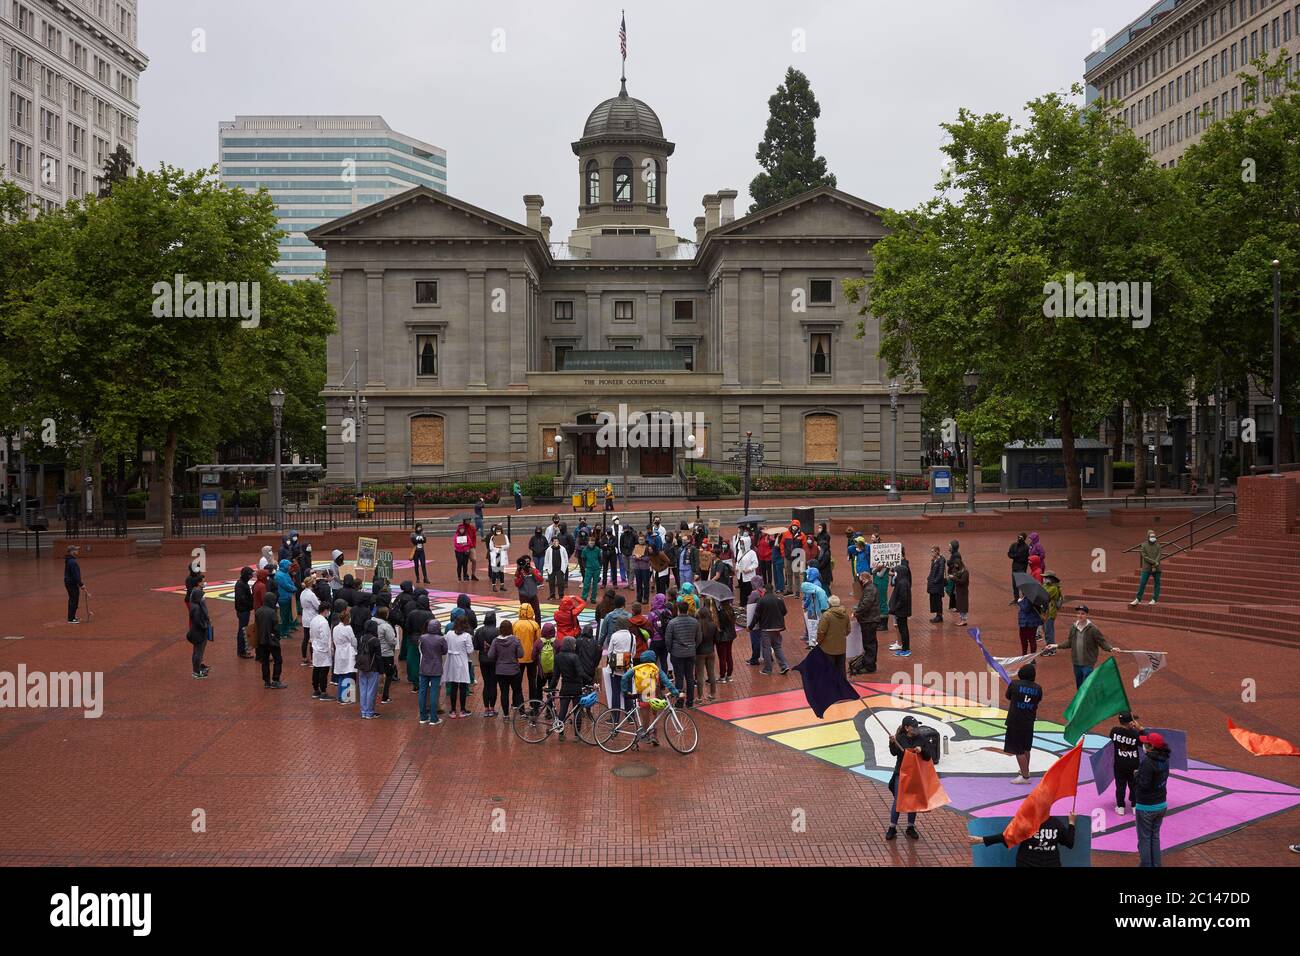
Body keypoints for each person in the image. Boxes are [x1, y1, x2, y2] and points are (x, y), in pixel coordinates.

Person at [620, 650, 680, 745]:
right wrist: (675, 692)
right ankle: (654, 736)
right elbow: (667, 682)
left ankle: (645, 733)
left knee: (645, 716)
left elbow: (624, 678)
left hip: (642, 694)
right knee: (654, 715)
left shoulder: (636, 668)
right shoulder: (656, 669)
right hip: (654, 694)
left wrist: (625, 691)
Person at [1048, 605, 1118, 688]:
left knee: (1087, 685)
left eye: (1082, 614)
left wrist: (1111, 648)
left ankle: (1088, 700)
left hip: (1088, 663)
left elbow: (1102, 642)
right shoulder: (1073, 627)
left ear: (1087, 615)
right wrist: (1055, 645)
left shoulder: (1093, 629)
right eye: (1078, 613)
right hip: (1076, 662)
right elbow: (1069, 643)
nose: (1080, 616)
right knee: (1079, 685)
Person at [972, 812, 1077, 867]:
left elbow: (1006, 837)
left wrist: (982, 839)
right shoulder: (1056, 823)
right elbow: (1069, 842)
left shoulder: (1026, 824)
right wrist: (1071, 823)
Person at [885, 716, 928, 840]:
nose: (916, 729)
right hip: (901, 773)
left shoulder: (921, 738)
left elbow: (928, 756)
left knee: (913, 800)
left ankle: (910, 827)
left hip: (915, 774)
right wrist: (892, 743)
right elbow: (894, 753)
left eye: (917, 726)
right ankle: (892, 828)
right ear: (906, 728)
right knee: (898, 800)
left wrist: (922, 750)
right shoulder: (900, 739)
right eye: (913, 727)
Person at [1134, 730, 1172, 867]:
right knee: (1154, 837)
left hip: (1146, 806)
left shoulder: (1147, 763)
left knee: (1144, 838)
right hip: (1161, 804)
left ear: (1151, 747)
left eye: (1145, 743)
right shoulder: (1165, 760)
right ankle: (1156, 864)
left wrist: (1137, 776)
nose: (1143, 745)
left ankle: (1146, 865)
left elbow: (1144, 785)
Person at [1004, 663, 1042, 783]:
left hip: (1015, 721)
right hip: (1029, 722)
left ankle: (1025, 776)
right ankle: (1025, 770)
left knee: (1018, 750)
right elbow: (1038, 700)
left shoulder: (1014, 684)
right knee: (1026, 748)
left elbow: (1008, 696)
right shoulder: (1038, 688)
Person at [665, 601, 700, 707]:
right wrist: (693, 647)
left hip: (677, 653)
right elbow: (699, 638)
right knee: (690, 677)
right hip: (690, 653)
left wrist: (671, 650)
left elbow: (668, 639)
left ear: (679, 610)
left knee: (679, 678)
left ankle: (680, 701)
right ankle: (690, 701)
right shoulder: (695, 622)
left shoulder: (672, 623)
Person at [487, 619, 524, 718]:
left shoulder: (495, 641)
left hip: (500, 671)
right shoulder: (515, 640)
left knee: (504, 692)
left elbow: (490, 655)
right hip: (514, 670)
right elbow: (521, 655)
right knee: (517, 691)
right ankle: (522, 712)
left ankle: (506, 714)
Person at [1110, 712, 1143, 815]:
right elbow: (1143, 744)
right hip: (1134, 765)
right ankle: (1134, 806)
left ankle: (1120, 807)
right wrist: (1140, 729)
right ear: (1131, 723)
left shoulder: (1114, 731)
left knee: (1120, 786)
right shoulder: (1135, 734)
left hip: (1119, 764)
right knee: (1134, 785)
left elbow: (1112, 738)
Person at [417, 619, 447, 726]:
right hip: (436, 667)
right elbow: (444, 651)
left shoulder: (423, 638)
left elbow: (420, 649)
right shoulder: (441, 639)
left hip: (424, 667)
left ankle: (423, 716)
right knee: (434, 692)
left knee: (422, 691)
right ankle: (434, 718)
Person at [754, 586, 789, 675]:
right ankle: (784, 666)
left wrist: (750, 627)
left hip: (766, 628)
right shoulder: (779, 599)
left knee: (766, 648)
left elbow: (756, 616)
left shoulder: (761, 600)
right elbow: (784, 612)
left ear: (765, 590)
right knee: (777, 647)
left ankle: (768, 669)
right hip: (778, 627)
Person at [444, 617, 474, 718]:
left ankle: (452, 710)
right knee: (462, 686)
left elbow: (445, 645)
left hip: (451, 661)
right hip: (462, 661)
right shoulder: (467, 636)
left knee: (453, 685)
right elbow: (470, 651)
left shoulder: (449, 634)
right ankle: (462, 710)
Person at [256, 591, 286, 689]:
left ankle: (266, 681)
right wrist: (277, 637)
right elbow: (276, 627)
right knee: (278, 660)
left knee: (264, 661)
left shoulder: (258, 611)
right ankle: (276, 680)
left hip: (261, 640)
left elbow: (256, 626)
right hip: (272, 640)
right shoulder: (272, 612)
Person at [816, 594, 852, 675]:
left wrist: (819, 641)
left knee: (829, 670)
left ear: (830, 604)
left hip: (828, 648)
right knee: (841, 669)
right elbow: (848, 630)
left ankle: (830, 686)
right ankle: (841, 686)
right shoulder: (845, 615)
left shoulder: (826, 615)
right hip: (841, 647)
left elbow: (821, 631)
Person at [473, 611, 500, 716]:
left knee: (486, 683)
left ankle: (486, 709)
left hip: (483, 660)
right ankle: (492, 709)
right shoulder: (497, 631)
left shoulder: (479, 631)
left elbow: (475, 646)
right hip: (494, 660)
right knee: (493, 684)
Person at [514, 603, 542, 703]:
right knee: (532, 681)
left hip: (518, 658)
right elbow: (538, 641)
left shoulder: (515, 624)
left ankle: (517, 704)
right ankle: (533, 703)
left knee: (517, 682)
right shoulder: (534, 625)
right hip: (531, 658)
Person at [357, 619, 384, 719]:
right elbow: (378, 657)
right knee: (371, 690)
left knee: (363, 689)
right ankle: (369, 712)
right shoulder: (375, 640)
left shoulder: (361, 638)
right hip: (373, 668)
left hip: (362, 666)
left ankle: (363, 711)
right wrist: (382, 671)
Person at [853, 573, 880, 674]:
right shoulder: (870, 587)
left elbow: (866, 604)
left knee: (869, 644)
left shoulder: (869, 589)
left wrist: (857, 612)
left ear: (864, 579)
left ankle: (869, 666)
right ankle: (869, 663)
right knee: (870, 643)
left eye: (860, 579)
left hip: (869, 620)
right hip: (869, 619)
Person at [888, 553, 913, 658]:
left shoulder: (902, 583)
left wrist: (895, 608)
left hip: (901, 611)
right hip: (901, 610)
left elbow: (903, 599)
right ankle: (904, 648)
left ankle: (906, 649)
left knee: (903, 629)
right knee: (903, 629)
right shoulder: (902, 581)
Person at [309, 598, 333, 700]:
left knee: (316, 669)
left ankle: (316, 689)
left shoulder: (314, 619)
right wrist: (329, 650)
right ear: (326, 610)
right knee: (324, 670)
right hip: (323, 649)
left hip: (315, 647)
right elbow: (326, 637)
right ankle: (323, 691)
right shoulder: (323, 622)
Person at [332, 606, 357, 705]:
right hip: (348, 653)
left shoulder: (336, 627)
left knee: (341, 675)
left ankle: (340, 696)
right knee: (349, 674)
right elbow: (353, 641)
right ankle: (346, 698)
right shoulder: (348, 628)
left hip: (339, 652)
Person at [187, 580, 212, 679]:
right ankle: (196, 671)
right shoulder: (196, 608)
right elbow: (199, 622)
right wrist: (205, 625)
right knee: (198, 652)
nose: (203, 598)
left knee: (197, 652)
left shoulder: (195, 605)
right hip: (199, 633)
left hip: (197, 632)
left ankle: (197, 669)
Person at [800, 565, 830, 647]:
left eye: (808, 574)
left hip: (813, 608)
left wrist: (805, 605)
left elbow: (810, 596)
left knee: (813, 625)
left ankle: (814, 643)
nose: (807, 576)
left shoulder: (815, 584)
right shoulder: (815, 582)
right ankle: (812, 641)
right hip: (813, 607)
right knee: (812, 625)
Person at [1131, 529, 1162, 606]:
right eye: (1151, 536)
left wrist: (1155, 565)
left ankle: (1154, 599)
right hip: (1146, 568)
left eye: (1154, 536)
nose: (1153, 537)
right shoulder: (1144, 545)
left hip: (1157, 568)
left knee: (1157, 583)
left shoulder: (1158, 545)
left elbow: (1159, 555)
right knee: (1142, 583)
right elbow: (1145, 556)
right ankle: (1138, 598)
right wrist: (1154, 563)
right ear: (1148, 537)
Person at [694, 605, 719, 702]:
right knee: (711, 673)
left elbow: (696, 639)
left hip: (700, 652)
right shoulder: (713, 625)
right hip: (711, 651)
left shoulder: (697, 625)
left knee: (700, 675)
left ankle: (700, 696)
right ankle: (712, 694)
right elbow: (716, 639)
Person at [375, 605, 398, 703]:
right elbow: (392, 641)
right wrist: (396, 640)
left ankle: (376, 694)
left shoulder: (373, 623)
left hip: (377, 652)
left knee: (377, 673)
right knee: (389, 674)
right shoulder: (386, 626)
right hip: (386, 653)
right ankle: (385, 696)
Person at [234, 566, 256, 659]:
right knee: (242, 630)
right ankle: (241, 651)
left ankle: (242, 650)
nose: (251, 577)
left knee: (242, 630)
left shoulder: (242, 583)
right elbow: (242, 599)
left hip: (243, 610)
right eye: (250, 575)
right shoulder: (241, 585)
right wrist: (250, 605)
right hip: (243, 610)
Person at [515, 556, 543, 622]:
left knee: (537, 613)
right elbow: (517, 584)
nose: (527, 564)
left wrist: (533, 573)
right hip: (523, 596)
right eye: (525, 562)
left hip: (533, 596)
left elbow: (541, 580)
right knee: (524, 614)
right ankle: (526, 628)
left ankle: (538, 628)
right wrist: (522, 576)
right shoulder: (519, 572)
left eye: (528, 562)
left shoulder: (534, 570)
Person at [543, 535, 569, 601]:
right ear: (552, 542)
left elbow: (566, 558)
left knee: (560, 583)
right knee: (551, 583)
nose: (556, 542)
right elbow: (546, 559)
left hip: (560, 569)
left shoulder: (562, 549)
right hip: (551, 569)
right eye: (554, 541)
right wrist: (546, 567)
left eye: (557, 541)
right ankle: (552, 595)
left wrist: (565, 567)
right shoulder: (549, 549)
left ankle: (561, 595)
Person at [926, 545, 946, 624]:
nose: (932, 553)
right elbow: (932, 571)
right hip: (933, 584)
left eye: (933, 551)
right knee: (934, 599)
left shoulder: (941, 561)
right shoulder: (933, 560)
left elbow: (941, 573)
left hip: (937, 585)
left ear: (937, 551)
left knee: (938, 600)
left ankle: (939, 616)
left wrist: (935, 580)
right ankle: (937, 615)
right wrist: (929, 578)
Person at [64, 545, 84, 624]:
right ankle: (71, 618)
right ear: (72, 551)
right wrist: (81, 584)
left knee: (73, 599)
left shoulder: (70, 561)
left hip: (70, 582)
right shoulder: (72, 562)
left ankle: (72, 616)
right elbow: (75, 575)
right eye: (76, 550)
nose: (77, 551)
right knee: (74, 599)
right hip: (71, 583)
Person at [1007, 532, 1030, 603]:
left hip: (1022, 567)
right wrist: (1016, 556)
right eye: (1018, 537)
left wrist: (1016, 556)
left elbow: (1025, 558)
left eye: (1021, 538)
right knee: (1014, 584)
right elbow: (1009, 554)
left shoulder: (1026, 547)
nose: (1019, 539)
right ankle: (1016, 598)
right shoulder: (1014, 545)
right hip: (1014, 567)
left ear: (1024, 539)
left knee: (1022, 583)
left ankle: (1025, 598)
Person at [579, 533, 602, 602]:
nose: (591, 544)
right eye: (590, 542)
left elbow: (600, 558)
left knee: (595, 584)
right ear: (588, 542)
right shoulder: (585, 550)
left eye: (593, 542)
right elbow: (583, 560)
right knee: (586, 583)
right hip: (588, 568)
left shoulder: (597, 549)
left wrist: (600, 566)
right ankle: (584, 597)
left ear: (594, 543)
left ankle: (593, 598)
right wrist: (585, 567)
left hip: (596, 569)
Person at [487, 523, 510, 593]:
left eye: (499, 530)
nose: (498, 532)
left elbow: (508, 545)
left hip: (502, 555)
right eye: (497, 530)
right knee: (494, 571)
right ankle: (494, 586)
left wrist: (500, 547)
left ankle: (502, 586)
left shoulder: (504, 536)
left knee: (501, 572)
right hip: (495, 555)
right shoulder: (492, 537)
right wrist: (497, 549)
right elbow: (491, 547)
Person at [948, 555, 970, 627]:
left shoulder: (965, 572)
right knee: (960, 606)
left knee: (963, 606)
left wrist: (954, 578)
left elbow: (962, 582)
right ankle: (961, 619)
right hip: (958, 591)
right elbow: (953, 573)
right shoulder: (958, 571)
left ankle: (963, 620)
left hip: (963, 591)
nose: (955, 566)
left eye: (956, 565)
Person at [1041, 571, 1062, 645]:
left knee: (1049, 630)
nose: (1044, 579)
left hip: (1050, 612)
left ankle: (1051, 647)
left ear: (1051, 579)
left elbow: (1044, 596)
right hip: (1046, 610)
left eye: (1046, 577)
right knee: (1046, 629)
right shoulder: (1046, 585)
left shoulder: (1053, 588)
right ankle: (1048, 645)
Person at [453, 518, 477, 582]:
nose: (468, 521)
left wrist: (473, 546)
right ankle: (464, 575)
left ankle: (473, 574)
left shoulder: (472, 527)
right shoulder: (461, 527)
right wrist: (461, 546)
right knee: (461, 563)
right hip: (460, 549)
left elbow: (474, 537)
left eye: (469, 520)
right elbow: (456, 541)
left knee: (474, 560)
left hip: (470, 547)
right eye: (466, 520)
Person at [872, 559, 891, 632]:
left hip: (881, 582)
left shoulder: (886, 562)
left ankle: (884, 624)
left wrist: (876, 569)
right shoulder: (877, 559)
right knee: (878, 601)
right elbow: (873, 571)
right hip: (877, 582)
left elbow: (880, 574)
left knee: (882, 601)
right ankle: (880, 621)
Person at [618, 520, 638, 590]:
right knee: (627, 569)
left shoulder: (634, 535)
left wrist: (634, 552)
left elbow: (636, 544)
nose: (625, 530)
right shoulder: (623, 535)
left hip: (632, 553)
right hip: (625, 553)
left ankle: (631, 583)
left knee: (632, 569)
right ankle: (629, 583)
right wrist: (623, 552)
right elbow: (621, 545)